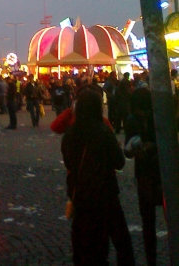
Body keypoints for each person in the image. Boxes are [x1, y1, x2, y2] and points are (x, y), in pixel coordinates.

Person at [61, 89, 134, 266]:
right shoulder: (103, 132)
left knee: (84, 242)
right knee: (120, 240)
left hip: (80, 196)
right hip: (105, 194)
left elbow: (69, 164)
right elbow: (119, 162)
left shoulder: (70, 135)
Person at [125, 87, 162, 266]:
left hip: (150, 173)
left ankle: (151, 258)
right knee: (149, 220)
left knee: (148, 220)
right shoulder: (155, 117)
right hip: (152, 173)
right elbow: (128, 149)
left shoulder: (150, 118)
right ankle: (151, 258)